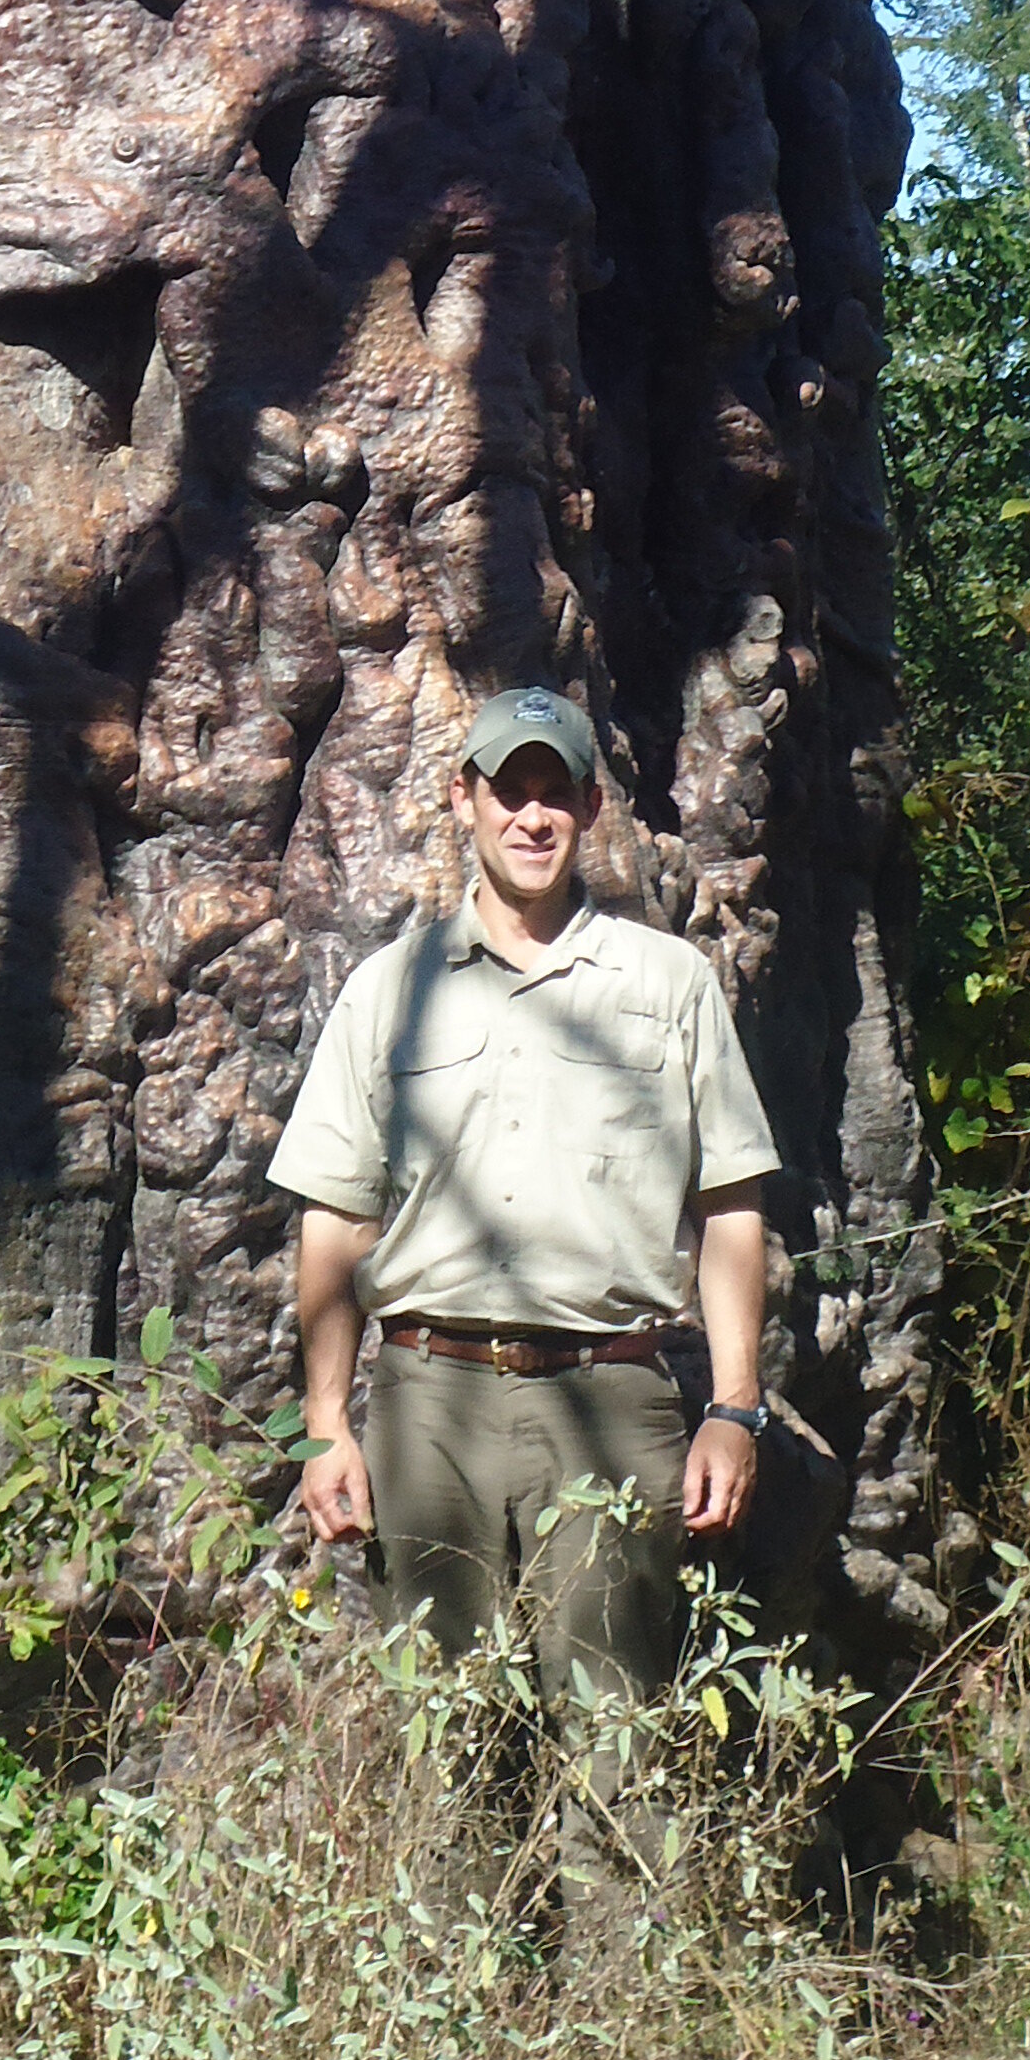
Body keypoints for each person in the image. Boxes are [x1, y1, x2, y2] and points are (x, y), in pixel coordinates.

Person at [268, 683, 782, 1879]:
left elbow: (731, 1210)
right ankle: (464, 2042)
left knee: (622, 1745)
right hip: (427, 1404)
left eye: (559, 792)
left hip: (611, 1403)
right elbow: (334, 1223)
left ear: (594, 808)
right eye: (512, 790)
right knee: (449, 1747)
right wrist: (325, 1429)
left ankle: (627, 2047)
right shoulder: (389, 992)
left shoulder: (667, 986)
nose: (535, 816)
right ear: (466, 800)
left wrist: (734, 1408)